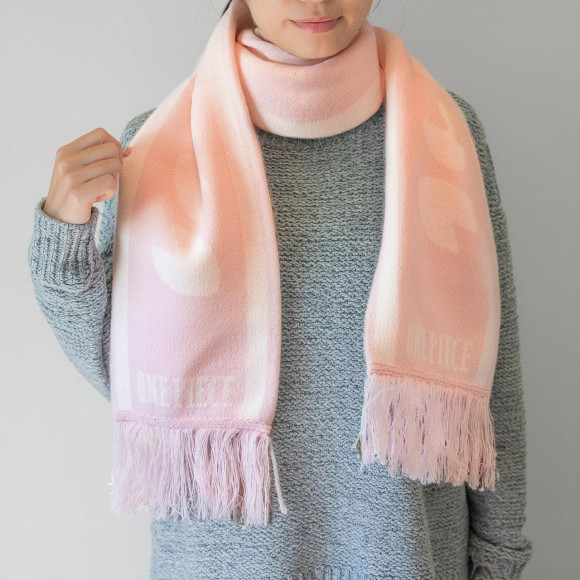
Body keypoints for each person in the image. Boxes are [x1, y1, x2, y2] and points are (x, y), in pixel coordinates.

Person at [28, 1, 533, 578]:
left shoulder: (444, 133)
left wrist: (498, 556)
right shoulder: (159, 146)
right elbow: (128, 381)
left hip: (404, 556)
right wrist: (62, 234)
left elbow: (491, 372)